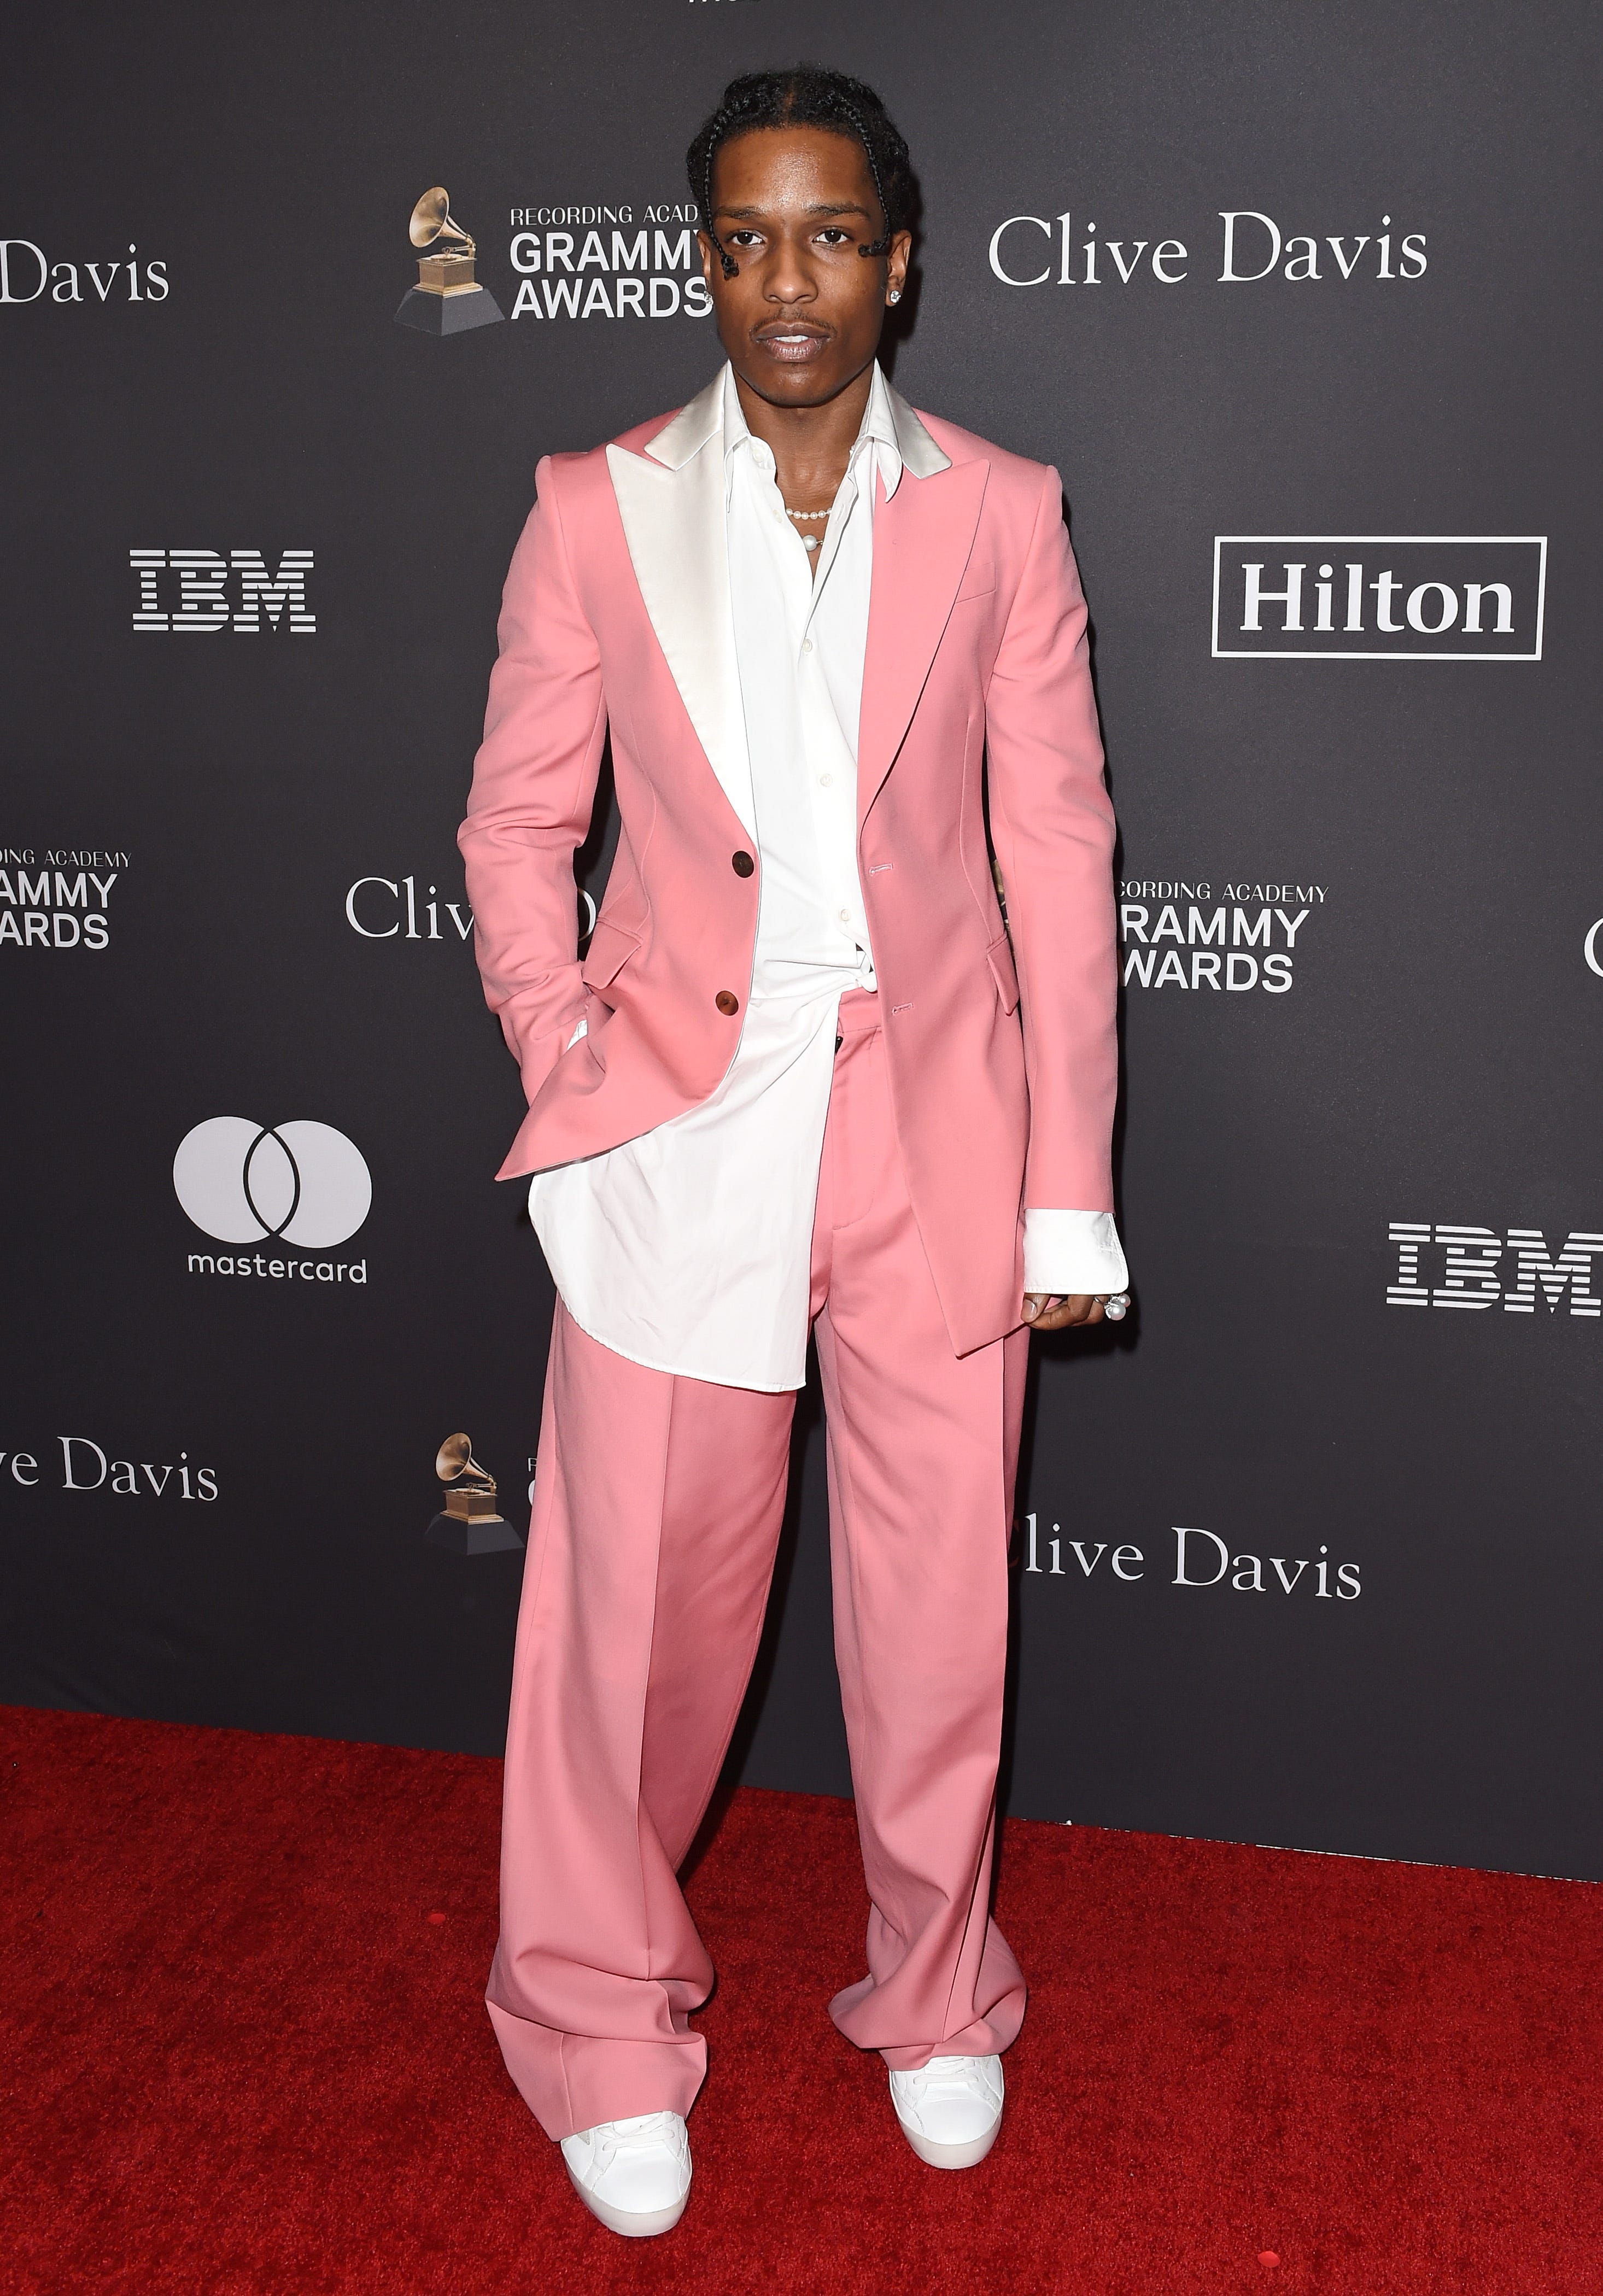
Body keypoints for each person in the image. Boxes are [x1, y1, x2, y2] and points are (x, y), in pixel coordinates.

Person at [458, 63, 1128, 2239]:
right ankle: (590, 2014)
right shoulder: (596, 501)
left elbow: (1055, 850)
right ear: (701, 259)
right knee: (626, 1631)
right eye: (745, 237)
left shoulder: (1004, 510)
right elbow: (513, 819)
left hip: (935, 1125)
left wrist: (1066, 1185)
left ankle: (936, 1996)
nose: (789, 281)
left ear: (900, 257)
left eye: (831, 233)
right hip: (677, 1127)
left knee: (936, 1626)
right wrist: (565, 1048)